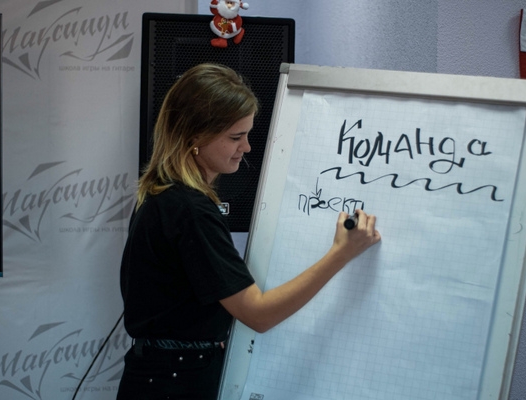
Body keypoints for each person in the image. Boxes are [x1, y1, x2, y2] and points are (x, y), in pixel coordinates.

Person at [116, 63, 381, 399]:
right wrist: (341, 252)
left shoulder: (162, 194)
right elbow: (258, 314)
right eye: (235, 137)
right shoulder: (190, 210)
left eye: (247, 135)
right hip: (173, 386)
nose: (247, 147)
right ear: (195, 136)